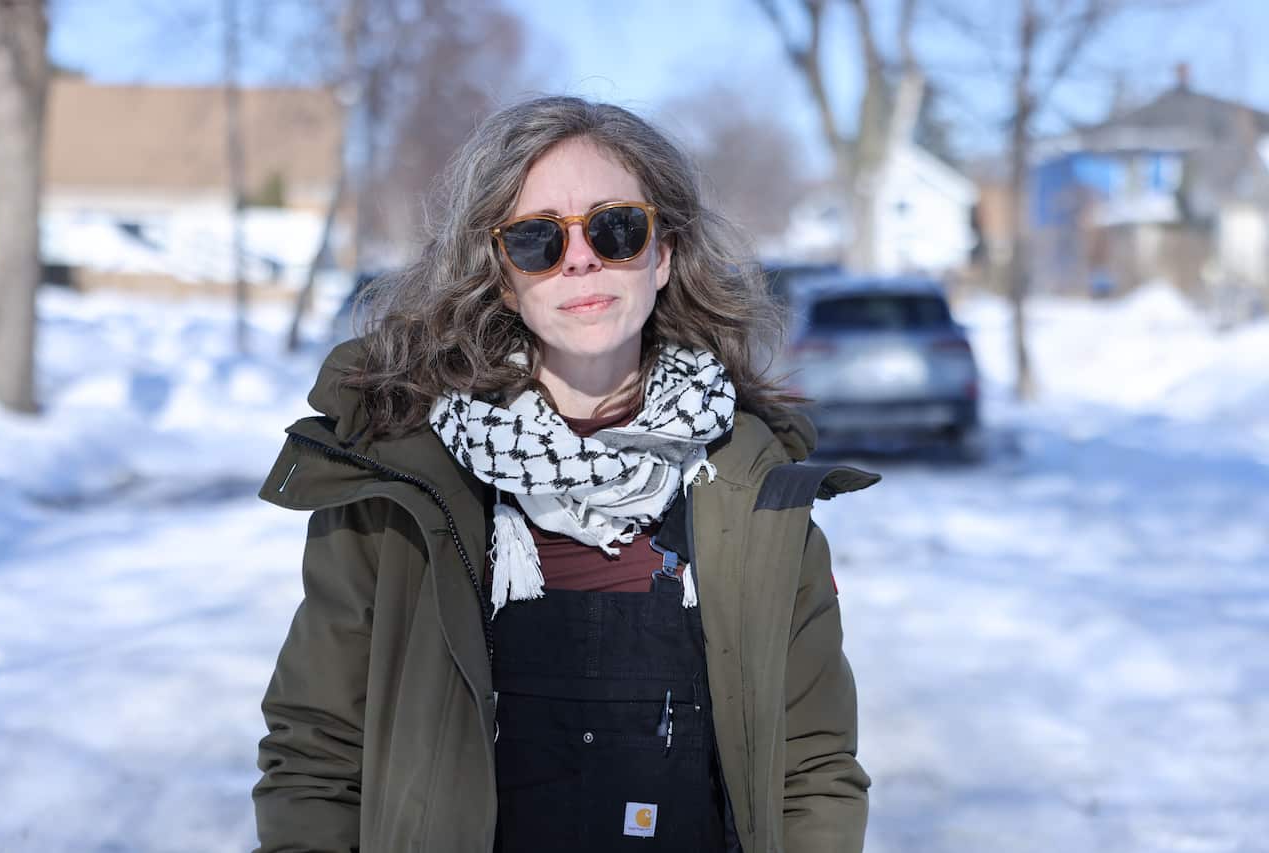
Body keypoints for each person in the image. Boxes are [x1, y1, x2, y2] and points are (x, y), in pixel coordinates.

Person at [252, 95, 878, 853]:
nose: (580, 258)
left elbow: (812, 769)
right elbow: (318, 755)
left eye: (617, 228)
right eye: (537, 239)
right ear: (503, 276)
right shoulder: (399, 486)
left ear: (664, 251)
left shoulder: (757, 492)